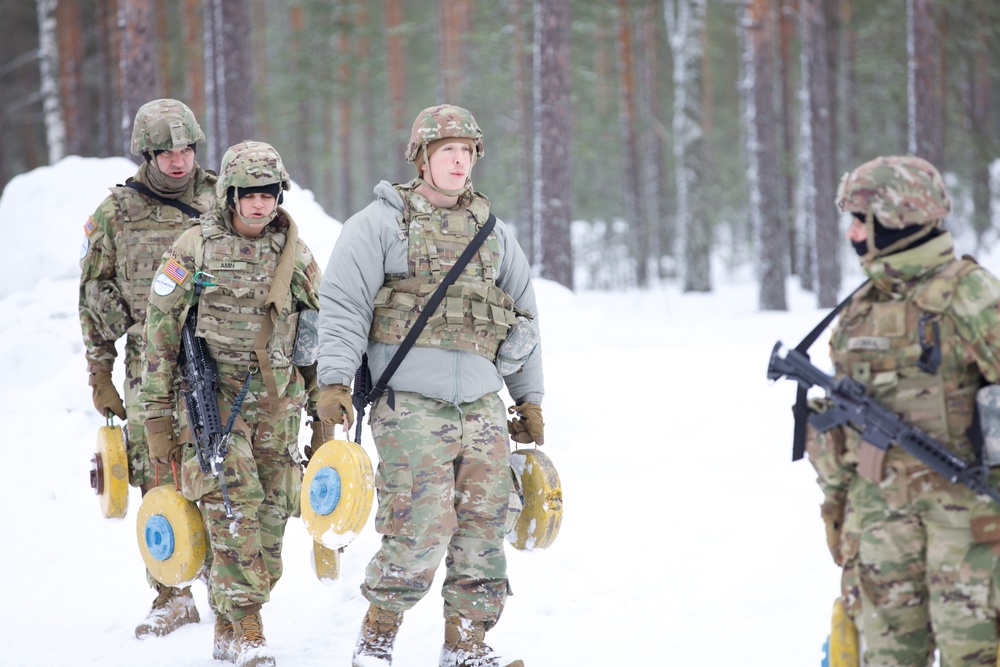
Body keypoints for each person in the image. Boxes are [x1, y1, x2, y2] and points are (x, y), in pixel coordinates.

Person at [316, 103, 544, 667]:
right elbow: (342, 308)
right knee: (421, 524)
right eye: (448, 151)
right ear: (422, 157)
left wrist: (529, 399)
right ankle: (376, 643)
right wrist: (334, 382)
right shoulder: (379, 225)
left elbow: (525, 319)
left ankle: (467, 646)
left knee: (485, 527)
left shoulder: (493, 234)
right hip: (409, 402)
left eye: (467, 151)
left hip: (482, 406)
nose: (460, 161)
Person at [806, 155, 1000, 666]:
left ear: (893, 220)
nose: (850, 233)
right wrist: (839, 511)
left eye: (859, 220)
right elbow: (842, 431)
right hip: (880, 532)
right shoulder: (861, 306)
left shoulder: (972, 295)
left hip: (971, 533)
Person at [137, 140, 322, 667]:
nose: (260, 205)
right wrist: (155, 417)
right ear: (230, 195)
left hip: (278, 410)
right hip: (214, 404)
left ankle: (228, 623)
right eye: (249, 194)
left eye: (269, 194)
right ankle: (249, 628)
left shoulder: (295, 253)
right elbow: (160, 337)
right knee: (231, 508)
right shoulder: (194, 248)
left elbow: (318, 335)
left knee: (267, 528)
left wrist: (324, 406)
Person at [78, 98, 216, 639]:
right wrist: (99, 374)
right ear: (147, 153)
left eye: (185, 149)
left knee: (220, 468)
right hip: (148, 364)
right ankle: (170, 592)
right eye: (166, 151)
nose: (178, 161)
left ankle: (229, 588)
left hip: (216, 355)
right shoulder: (115, 214)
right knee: (157, 473)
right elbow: (95, 296)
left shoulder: (221, 198)